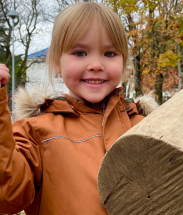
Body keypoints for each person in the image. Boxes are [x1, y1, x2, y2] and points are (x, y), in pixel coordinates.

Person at [0, 2, 158, 215]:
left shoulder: (148, 127)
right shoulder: (35, 133)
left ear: (124, 62)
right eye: (80, 52)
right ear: (57, 62)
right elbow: (8, 196)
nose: (96, 64)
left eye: (109, 54)